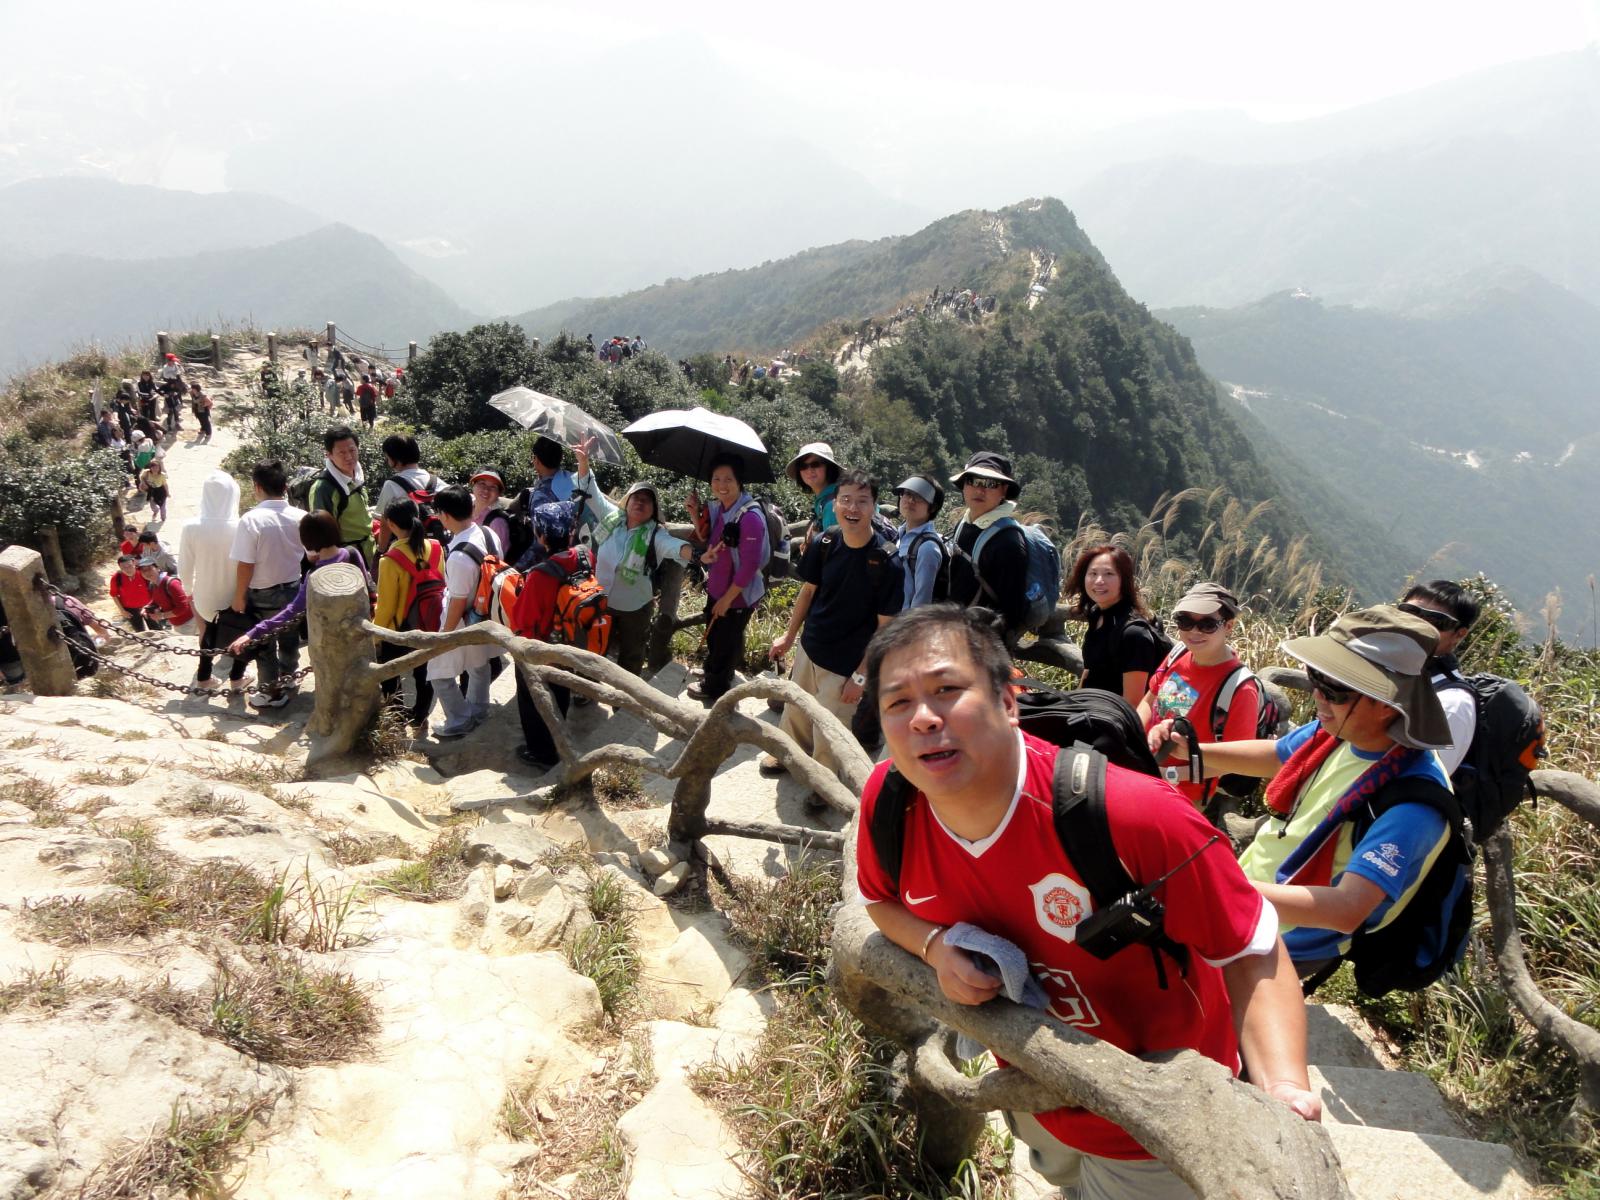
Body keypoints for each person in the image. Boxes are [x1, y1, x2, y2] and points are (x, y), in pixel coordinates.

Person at [856, 605, 1317, 1194]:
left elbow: (1252, 947)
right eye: (898, 702)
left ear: (1008, 702)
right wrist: (934, 946)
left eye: (947, 690)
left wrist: (1283, 1090)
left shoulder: (1137, 816)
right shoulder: (891, 804)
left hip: (1157, 1127)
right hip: (1033, 1090)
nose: (923, 717)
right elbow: (880, 902)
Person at [1154, 606, 1456, 978]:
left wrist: (1220, 888)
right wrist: (1192, 751)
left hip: (1283, 940)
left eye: (1333, 690)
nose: (1317, 696)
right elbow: (1278, 755)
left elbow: (1346, 909)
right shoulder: (1339, 733)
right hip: (1248, 896)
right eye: (1316, 678)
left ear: (1385, 704)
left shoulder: (1413, 803)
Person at [765, 469, 902, 778]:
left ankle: (824, 780)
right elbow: (807, 591)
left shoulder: (887, 561)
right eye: (846, 500)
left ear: (874, 506)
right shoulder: (826, 541)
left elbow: (886, 628)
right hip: (810, 647)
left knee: (831, 727)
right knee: (796, 708)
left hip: (846, 664)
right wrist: (789, 637)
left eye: (862, 501)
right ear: (835, 503)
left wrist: (861, 676)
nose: (853, 508)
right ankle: (787, 754)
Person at [571, 441, 694, 678]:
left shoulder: (656, 534)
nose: (640, 502)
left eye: (647, 500)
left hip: (635, 608)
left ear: (653, 510)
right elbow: (591, 490)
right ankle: (587, 687)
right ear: (626, 502)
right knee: (595, 646)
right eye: (636, 497)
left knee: (631, 656)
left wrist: (697, 553)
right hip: (601, 599)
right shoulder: (612, 518)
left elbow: (675, 547)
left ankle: (625, 697)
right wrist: (583, 462)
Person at [226, 512, 370, 710]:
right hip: (359, 631)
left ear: (307, 540)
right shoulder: (352, 554)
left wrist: (252, 633)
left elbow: (291, 611)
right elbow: (367, 589)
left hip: (327, 641)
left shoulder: (314, 575)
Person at [1138, 583, 1262, 808]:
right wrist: (1132, 738)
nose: (1194, 631)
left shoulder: (1240, 689)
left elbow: (1234, 760)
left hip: (1184, 795)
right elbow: (1149, 701)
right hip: (1143, 771)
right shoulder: (1178, 654)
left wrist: (1170, 773)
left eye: (1207, 624)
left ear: (1228, 626)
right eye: (1185, 621)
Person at [507, 502, 589, 769]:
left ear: (541, 536)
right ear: (570, 532)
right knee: (561, 688)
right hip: (572, 639)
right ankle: (556, 735)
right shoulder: (584, 556)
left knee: (532, 697)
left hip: (542, 647)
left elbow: (522, 620)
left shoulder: (540, 575)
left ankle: (541, 752)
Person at [685, 453, 769, 704]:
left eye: (728, 479)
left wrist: (727, 600)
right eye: (716, 478)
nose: (722, 484)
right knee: (716, 636)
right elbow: (706, 539)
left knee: (724, 641)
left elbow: (750, 566)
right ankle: (715, 671)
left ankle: (715, 688)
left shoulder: (750, 517)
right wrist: (694, 514)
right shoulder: (720, 508)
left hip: (737, 596)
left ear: (739, 481)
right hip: (718, 587)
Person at [229, 460, 310, 708]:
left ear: (257, 486)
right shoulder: (301, 517)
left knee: (264, 643)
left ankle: (271, 693)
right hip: (293, 589)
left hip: (262, 592)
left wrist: (239, 596)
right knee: (289, 639)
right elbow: (311, 554)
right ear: (285, 487)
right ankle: (289, 677)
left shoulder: (251, 520)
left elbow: (246, 564)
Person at [427, 486, 500, 739]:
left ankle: (459, 719)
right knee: (479, 665)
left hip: (463, 620)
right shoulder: (488, 533)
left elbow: (457, 603)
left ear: (445, 515)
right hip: (485, 614)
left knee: (438, 671)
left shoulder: (459, 557)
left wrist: (444, 637)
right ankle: (479, 711)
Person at [1069, 543, 1168, 706]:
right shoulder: (1097, 613)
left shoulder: (1134, 633)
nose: (1099, 581)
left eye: (1109, 574)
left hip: (1114, 716)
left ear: (1124, 579)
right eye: (1093, 573)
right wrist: (1071, 706)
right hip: (1090, 708)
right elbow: (1089, 671)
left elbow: (1133, 703)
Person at [1398, 580, 1481, 774]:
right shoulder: (1391, 670)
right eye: (1410, 612)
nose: (1416, 625)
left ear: (1459, 635)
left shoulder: (1452, 704)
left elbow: (1426, 778)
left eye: (1435, 621)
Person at [946, 452, 1031, 640]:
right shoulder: (964, 524)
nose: (980, 489)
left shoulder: (1009, 542)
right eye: (973, 481)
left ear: (1004, 491)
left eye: (990, 483)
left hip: (983, 644)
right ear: (964, 485)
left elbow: (1012, 612)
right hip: (955, 634)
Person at [178, 470, 248, 695]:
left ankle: (204, 678)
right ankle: (237, 679)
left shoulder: (191, 527)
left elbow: (184, 566)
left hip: (204, 596)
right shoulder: (241, 526)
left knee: (208, 633)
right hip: (235, 594)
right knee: (240, 633)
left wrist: (188, 590)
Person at [374, 499, 440, 734]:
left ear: (391, 524)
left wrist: (376, 636)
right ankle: (421, 717)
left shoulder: (390, 560)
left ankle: (396, 719)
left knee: (390, 673)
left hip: (399, 629)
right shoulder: (436, 548)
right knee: (424, 673)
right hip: (429, 623)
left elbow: (386, 607)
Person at [307, 425, 376, 568]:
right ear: (329, 455)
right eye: (341, 453)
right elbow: (322, 535)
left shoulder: (357, 475)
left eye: (352, 450)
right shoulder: (323, 489)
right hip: (346, 561)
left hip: (369, 552)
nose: (349, 457)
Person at [511, 436, 579, 570]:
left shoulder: (541, 495)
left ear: (536, 460)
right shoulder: (573, 479)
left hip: (553, 565)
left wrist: (516, 569)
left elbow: (541, 542)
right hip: (574, 554)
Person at [373, 434, 443, 553]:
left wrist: (381, 550)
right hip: (436, 548)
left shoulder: (392, 484)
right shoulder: (436, 481)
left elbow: (385, 523)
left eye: (388, 458)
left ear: (396, 459)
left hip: (406, 550)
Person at [894, 474, 947, 611]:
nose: (911, 500)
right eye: (907, 494)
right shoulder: (898, 536)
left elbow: (922, 603)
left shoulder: (928, 547)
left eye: (919, 497)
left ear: (933, 507)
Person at [785, 442, 840, 547]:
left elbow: (834, 550)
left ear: (829, 467)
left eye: (815, 464)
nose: (809, 470)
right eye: (803, 466)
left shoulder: (832, 505)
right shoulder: (824, 499)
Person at [140, 553, 195, 631]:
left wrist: (162, 616)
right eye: (143, 571)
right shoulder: (153, 584)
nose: (147, 573)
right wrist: (147, 607)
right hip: (176, 623)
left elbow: (183, 607)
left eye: (149, 568)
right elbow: (156, 600)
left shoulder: (172, 583)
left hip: (189, 622)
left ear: (158, 568)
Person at [469, 469, 512, 557]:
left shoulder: (497, 522)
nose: (486, 490)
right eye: (482, 483)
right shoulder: (465, 509)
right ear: (473, 485)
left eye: (493, 487)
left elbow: (497, 559)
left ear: (499, 493)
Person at [109, 553, 155, 631]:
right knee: (139, 632)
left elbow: (154, 589)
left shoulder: (143, 573)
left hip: (148, 607)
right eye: (124, 567)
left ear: (134, 563)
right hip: (130, 610)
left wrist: (155, 606)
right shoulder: (117, 577)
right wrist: (122, 611)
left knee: (156, 629)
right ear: (120, 567)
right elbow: (114, 595)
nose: (127, 569)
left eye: (129, 566)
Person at [139, 453, 170, 522]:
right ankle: (156, 511)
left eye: (157, 467)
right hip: (152, 491)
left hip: (161, 491)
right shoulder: (147, 472)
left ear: (159, 468)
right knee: (153, 505)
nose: (155, 469)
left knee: (162, 506)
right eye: (153, 467)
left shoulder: (162, 475)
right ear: (150, 468)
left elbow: (165, 484)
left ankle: (163, 517)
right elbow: (142, 477)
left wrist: (167, 493)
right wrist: (143, 483)